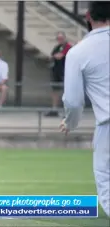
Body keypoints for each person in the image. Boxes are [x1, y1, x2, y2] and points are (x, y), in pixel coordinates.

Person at [59, 1, 109, 217]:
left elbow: (73, 100)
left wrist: (70, 122)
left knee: (105, 178)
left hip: (108, 124)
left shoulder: (78, 52)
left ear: (88, 16)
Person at [45, 32, 72, 117]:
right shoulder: (57, 47)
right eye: (58, 38)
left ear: (64, 38)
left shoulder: (67, 46)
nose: (60, 40)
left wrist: (55, 56)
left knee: (67, 92)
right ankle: (54, 109)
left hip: (65, 71)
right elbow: (52, 56)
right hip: (56, 71)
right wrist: (54, 56)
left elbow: (60, 56)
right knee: (55, 91)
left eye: (61, 38)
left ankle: (68, 111)